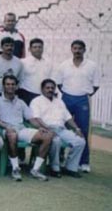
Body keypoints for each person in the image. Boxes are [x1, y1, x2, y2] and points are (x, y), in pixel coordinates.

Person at [0, 75, 52, 181]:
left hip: (22, 129)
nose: (10, 86)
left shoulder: (21, 102)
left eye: (13, 84)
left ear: (17, 86)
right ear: (3, 86)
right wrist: (7, 127)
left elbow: (31, 119)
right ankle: (15, 168)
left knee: (47, 135)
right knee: (12, 134)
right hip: (6, 129)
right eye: (8, 84)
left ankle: (35, 170)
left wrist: (40, 127)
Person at [54, 40, 100, 173]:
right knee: (61, 127)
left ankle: (83, 162)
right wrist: (69, 94)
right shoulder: (64, 65)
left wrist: (83, 94)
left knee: (83, 130)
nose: (77, 50)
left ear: (84, 50)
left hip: (82, 99)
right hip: (67, 98)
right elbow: (59, 83)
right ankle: (61, 157)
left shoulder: (92, 65)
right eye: (75, 48)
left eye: (80, 48)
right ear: (71, 49)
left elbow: (96, 85)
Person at [30, 79, 86, 178]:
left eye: (52, 88)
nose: (50, 90)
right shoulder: (36, 101)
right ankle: (55, 168)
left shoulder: (59, 102)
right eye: (47, 88)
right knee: (56, 141)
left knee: (80, 141)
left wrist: (77, 129)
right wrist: (47, 129)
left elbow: (68, 118)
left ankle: (70, 168)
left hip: (61, 129)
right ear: (42, 89)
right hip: (47, 129)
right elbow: (36, 118)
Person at [0, 37, 23, 106]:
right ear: (2, 47)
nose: (9, 48)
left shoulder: (18, 63)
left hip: (10, 94)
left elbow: (19, 79)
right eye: (6, 45)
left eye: (11, 45)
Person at [18, 38, 52, 105]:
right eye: (35, 47)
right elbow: (19, 78)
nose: (37, 49)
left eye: (40, 47)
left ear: (43, 48)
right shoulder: (23, 62)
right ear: (29, 49)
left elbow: (50, 78)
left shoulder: (48, 63)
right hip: (27, 94)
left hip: (43, 95)